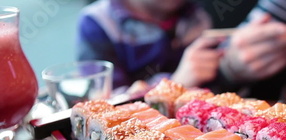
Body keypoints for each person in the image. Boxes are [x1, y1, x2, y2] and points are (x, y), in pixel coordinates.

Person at [76, 0, 222, 90]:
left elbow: (210, 82)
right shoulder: (97, 23)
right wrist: (175, 84)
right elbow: (106, 101)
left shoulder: (196, 15)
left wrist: (230, 67)